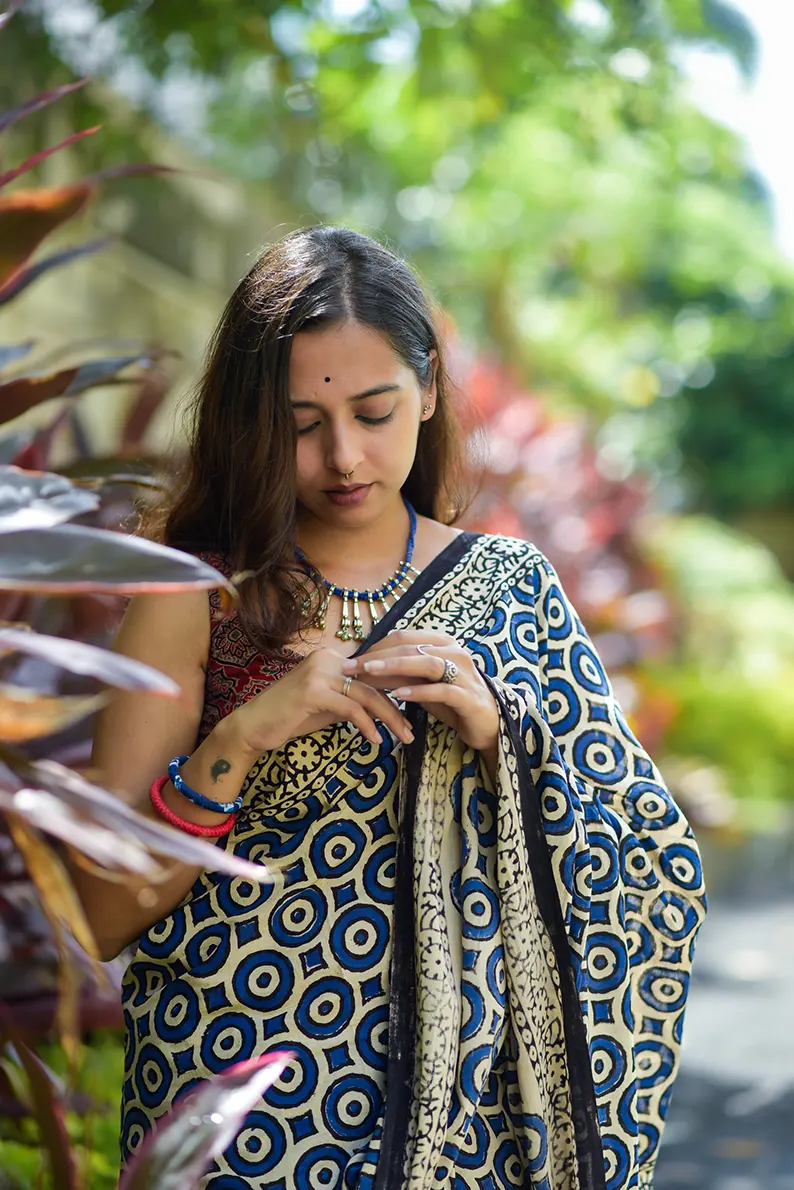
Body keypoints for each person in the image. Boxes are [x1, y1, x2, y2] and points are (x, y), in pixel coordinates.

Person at [73, 226, 706, 1190]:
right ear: (248, 421)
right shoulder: (197, 593)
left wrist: (505, 737)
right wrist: (247, 734)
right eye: (300, 425)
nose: (344, 457)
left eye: (376, 412)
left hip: (469, 1127)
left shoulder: (511, 588)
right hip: (233, 1113)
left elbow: (652, 863)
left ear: (428, 393)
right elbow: (101, 914)